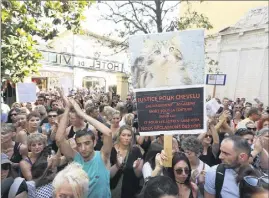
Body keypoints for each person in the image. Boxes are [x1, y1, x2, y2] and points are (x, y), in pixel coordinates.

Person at [55, 98, 112, 198]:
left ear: (94, 143)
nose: (83, 148)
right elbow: (59, 139)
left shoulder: (103, 157)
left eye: (87, 143)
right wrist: (67, 109)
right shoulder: (76, 158)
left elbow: (108, 133)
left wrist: (82, 115)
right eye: (79, 144)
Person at [110, 125, 143, 198]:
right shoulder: (111, 150)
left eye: (129, 135)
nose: (126, 138)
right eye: (123, 135)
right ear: (119, 136)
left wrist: (136, 168)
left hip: (131, 191)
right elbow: (107, 175)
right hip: (114, 190)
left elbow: (139, 175)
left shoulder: (136, 150)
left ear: (132, 137)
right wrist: (117, 165)